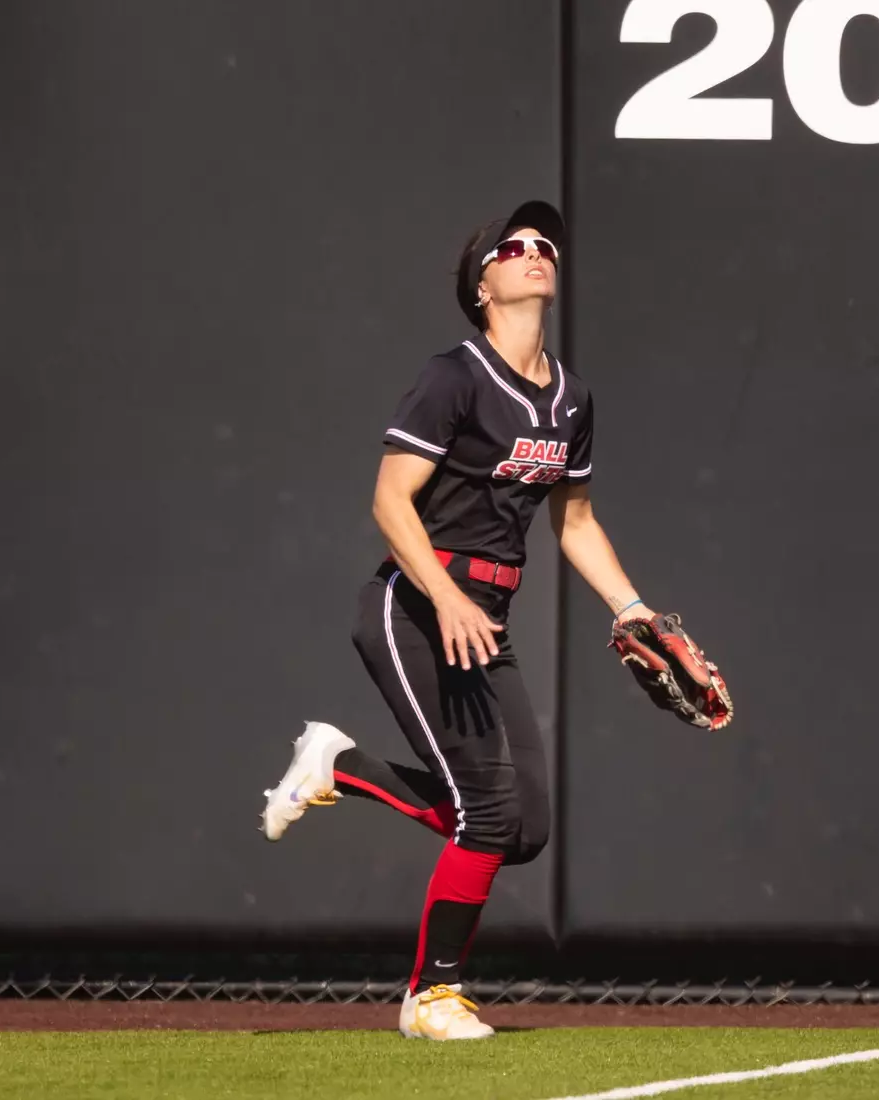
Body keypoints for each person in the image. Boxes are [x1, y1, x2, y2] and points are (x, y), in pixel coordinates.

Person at [259, 200, 658, 1041]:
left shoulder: (572, 399)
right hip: (414, 607)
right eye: (514, 247)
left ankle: (343, 767)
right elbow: (388, 499)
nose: (535, 252)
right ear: (484, 285)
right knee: (488, 809)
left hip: (486, 619)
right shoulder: (456, 376)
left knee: (526, 828)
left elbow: (575, 522)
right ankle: (432, 996)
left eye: (545, 244)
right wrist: (443, 595)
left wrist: (631, 606)